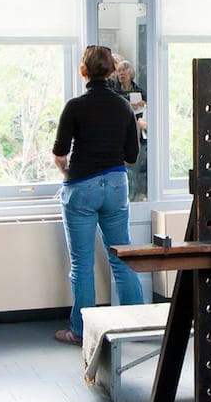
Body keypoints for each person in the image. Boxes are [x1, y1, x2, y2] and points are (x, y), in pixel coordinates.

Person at [50, 45, 145, 344]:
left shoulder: (75, 106)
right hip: (116, 184)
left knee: (82, 263)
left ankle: (81, 332)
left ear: (83, 72)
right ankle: (141, 327)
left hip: (82, 187)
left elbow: (60, 154)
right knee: (122, 257)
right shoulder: (123, 107)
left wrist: (68, 174)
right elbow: (132, 155)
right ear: (112, 72)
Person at [113, 59, 148, 200]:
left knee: (137, 167)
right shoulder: (114, 92)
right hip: (119, 130)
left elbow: (149, 108)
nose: (121, 74)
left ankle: (136, 196)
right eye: (119, 71)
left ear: (130, 74)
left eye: (124, 71)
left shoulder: (139, 91)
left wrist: (143, 103)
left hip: (137, 129)